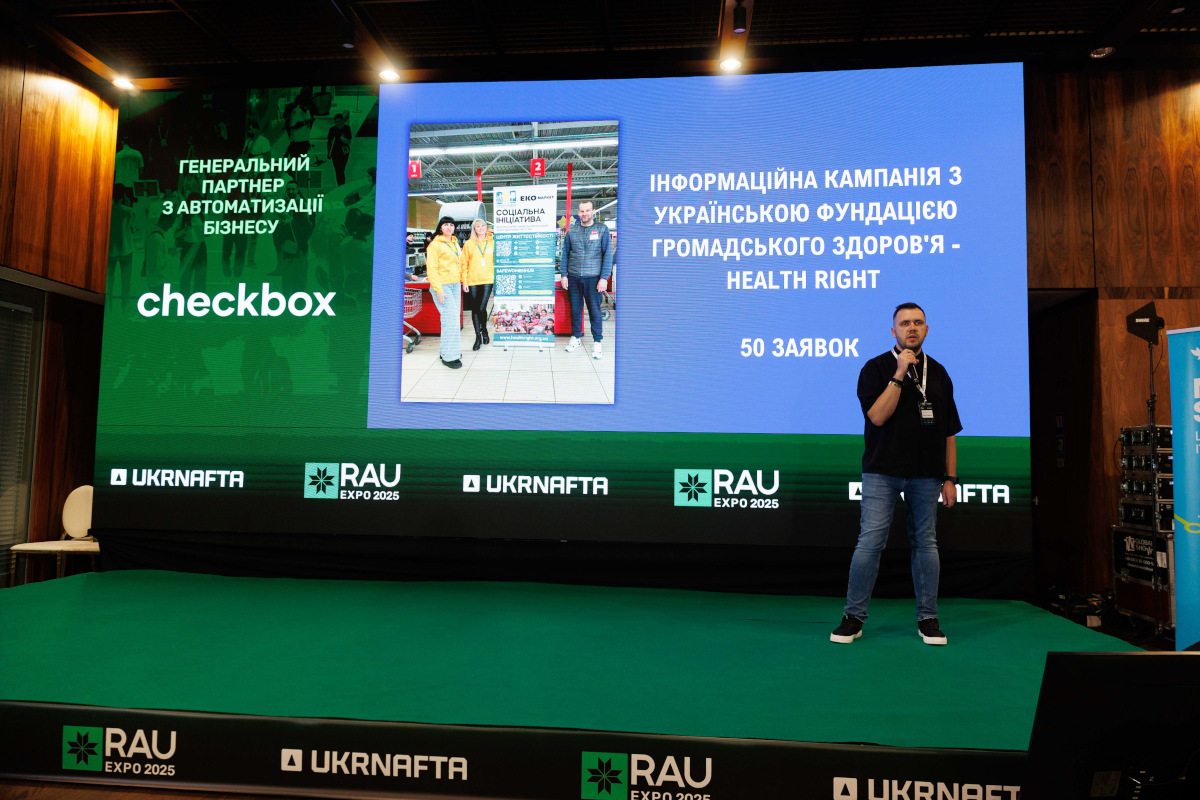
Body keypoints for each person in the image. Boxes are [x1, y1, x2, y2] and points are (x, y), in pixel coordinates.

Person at [831, 302, 962, 646]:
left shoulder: (940, 373)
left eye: (918, 322)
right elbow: (877, 416)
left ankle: (928, 618)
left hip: (927, 474)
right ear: (894, 331)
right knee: (870, 542)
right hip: (882, 471)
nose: (912, 328)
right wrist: (899, 373)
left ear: (927, 329)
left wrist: (951, 478)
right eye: (905, 323)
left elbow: (949, 430)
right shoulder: (875, 368)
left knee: (926, 543)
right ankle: (853, 617)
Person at [558, 200, 613, 360]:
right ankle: (576, 337)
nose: (584, 214)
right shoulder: (572, 231)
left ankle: (597, 341)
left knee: (595, 311)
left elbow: (607, 255)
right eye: (582, 211)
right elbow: (565, 254)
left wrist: (604, 278)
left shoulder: (602, 229)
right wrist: (564, 275)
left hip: (593, 278)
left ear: (593, 211)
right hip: (574, 278)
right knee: (575, 310)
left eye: (587, 210)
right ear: (578, 213)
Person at [426, 215, 464, 368]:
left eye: (451, 225)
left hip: (455, 284)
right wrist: (438, 290)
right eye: (446, 224)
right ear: (440, 227)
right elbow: (432, 269)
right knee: (451, 321)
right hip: (443, 286)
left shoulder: (454, 242)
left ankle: (447, 351)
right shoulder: (435, 245)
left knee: (451, 320)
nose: (449, 227)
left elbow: (458, 263)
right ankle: (449, 357)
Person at [461, 218, 494, 351]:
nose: (481, 228)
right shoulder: (469, 244)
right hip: (472, 280)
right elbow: (463, 263)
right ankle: (478, 336)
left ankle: (484, 329)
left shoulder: (493, 242)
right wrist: (464, 281)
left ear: (486, 227)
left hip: (488, 279)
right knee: (475, 308)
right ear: (474, 229)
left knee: (482, 307)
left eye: (483, 226)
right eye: (478, 226)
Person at [327, 112, 352, 186]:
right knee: (338, 170)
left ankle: (341, 186)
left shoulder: (347, 128)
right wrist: (328, 152)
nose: (337, 123)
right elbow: (329, 142)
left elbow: (348, 142)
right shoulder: (332, 129)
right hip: (335, 152)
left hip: (344, 152)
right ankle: (341, 186)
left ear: (342, 121)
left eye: (339, 121)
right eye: (336, 122)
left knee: (341, 170)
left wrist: (341, 137)